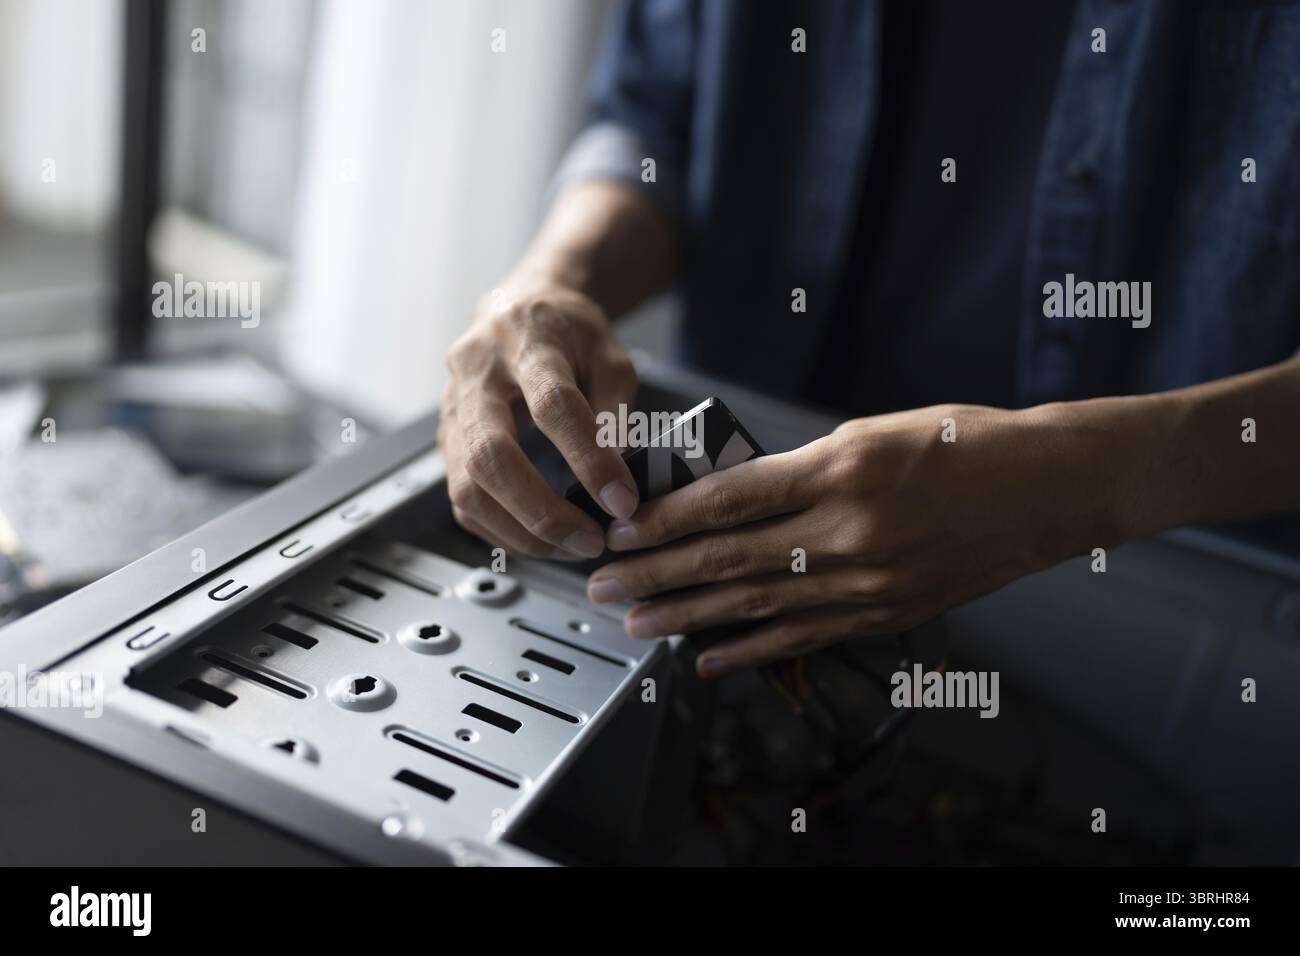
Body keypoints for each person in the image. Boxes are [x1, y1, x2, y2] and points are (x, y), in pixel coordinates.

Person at [437, 0, 1300, 678]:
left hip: (1189, 625)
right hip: (735, 572)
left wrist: (1079, 485)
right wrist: (551, 283)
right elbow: (654, 115)